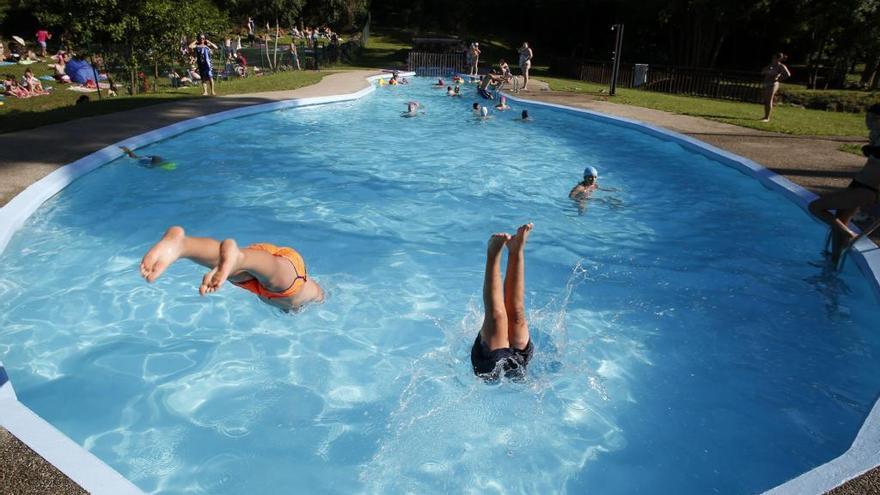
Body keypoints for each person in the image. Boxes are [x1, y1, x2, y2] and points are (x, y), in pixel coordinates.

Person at [140, 226, 324, 312]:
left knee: (231, 267)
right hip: (291, 274)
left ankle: (184, 245)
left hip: (258, 275)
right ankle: (238, 258)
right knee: (278, 279)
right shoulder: (311, 295)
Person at [809, 103, 880, 263]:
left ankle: (850, 235)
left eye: (874, 118)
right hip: (858, 184)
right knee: (838, 223)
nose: (869, 121)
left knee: (815, 207)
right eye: (867, 117)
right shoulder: (875, 136)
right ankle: (833, 263)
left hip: (868, 190)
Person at [471, 224, 534, 380]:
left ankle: (493, 254)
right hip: (519, 362)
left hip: (488, 364)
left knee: (497, 317)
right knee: (517, 314)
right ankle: (516, 250)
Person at [761, 52, 791, 122]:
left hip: (773, 84)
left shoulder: (781, 66)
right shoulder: (771, 65)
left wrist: (779, 79)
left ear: (779, 59)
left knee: (769, 100)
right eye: (773, 58)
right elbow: (762, 72)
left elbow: (788, 74)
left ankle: (767, 118)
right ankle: (765, 116)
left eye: (774, 58)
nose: (772, 59)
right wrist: (768, 69)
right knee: (766, 101)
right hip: (766, 83)